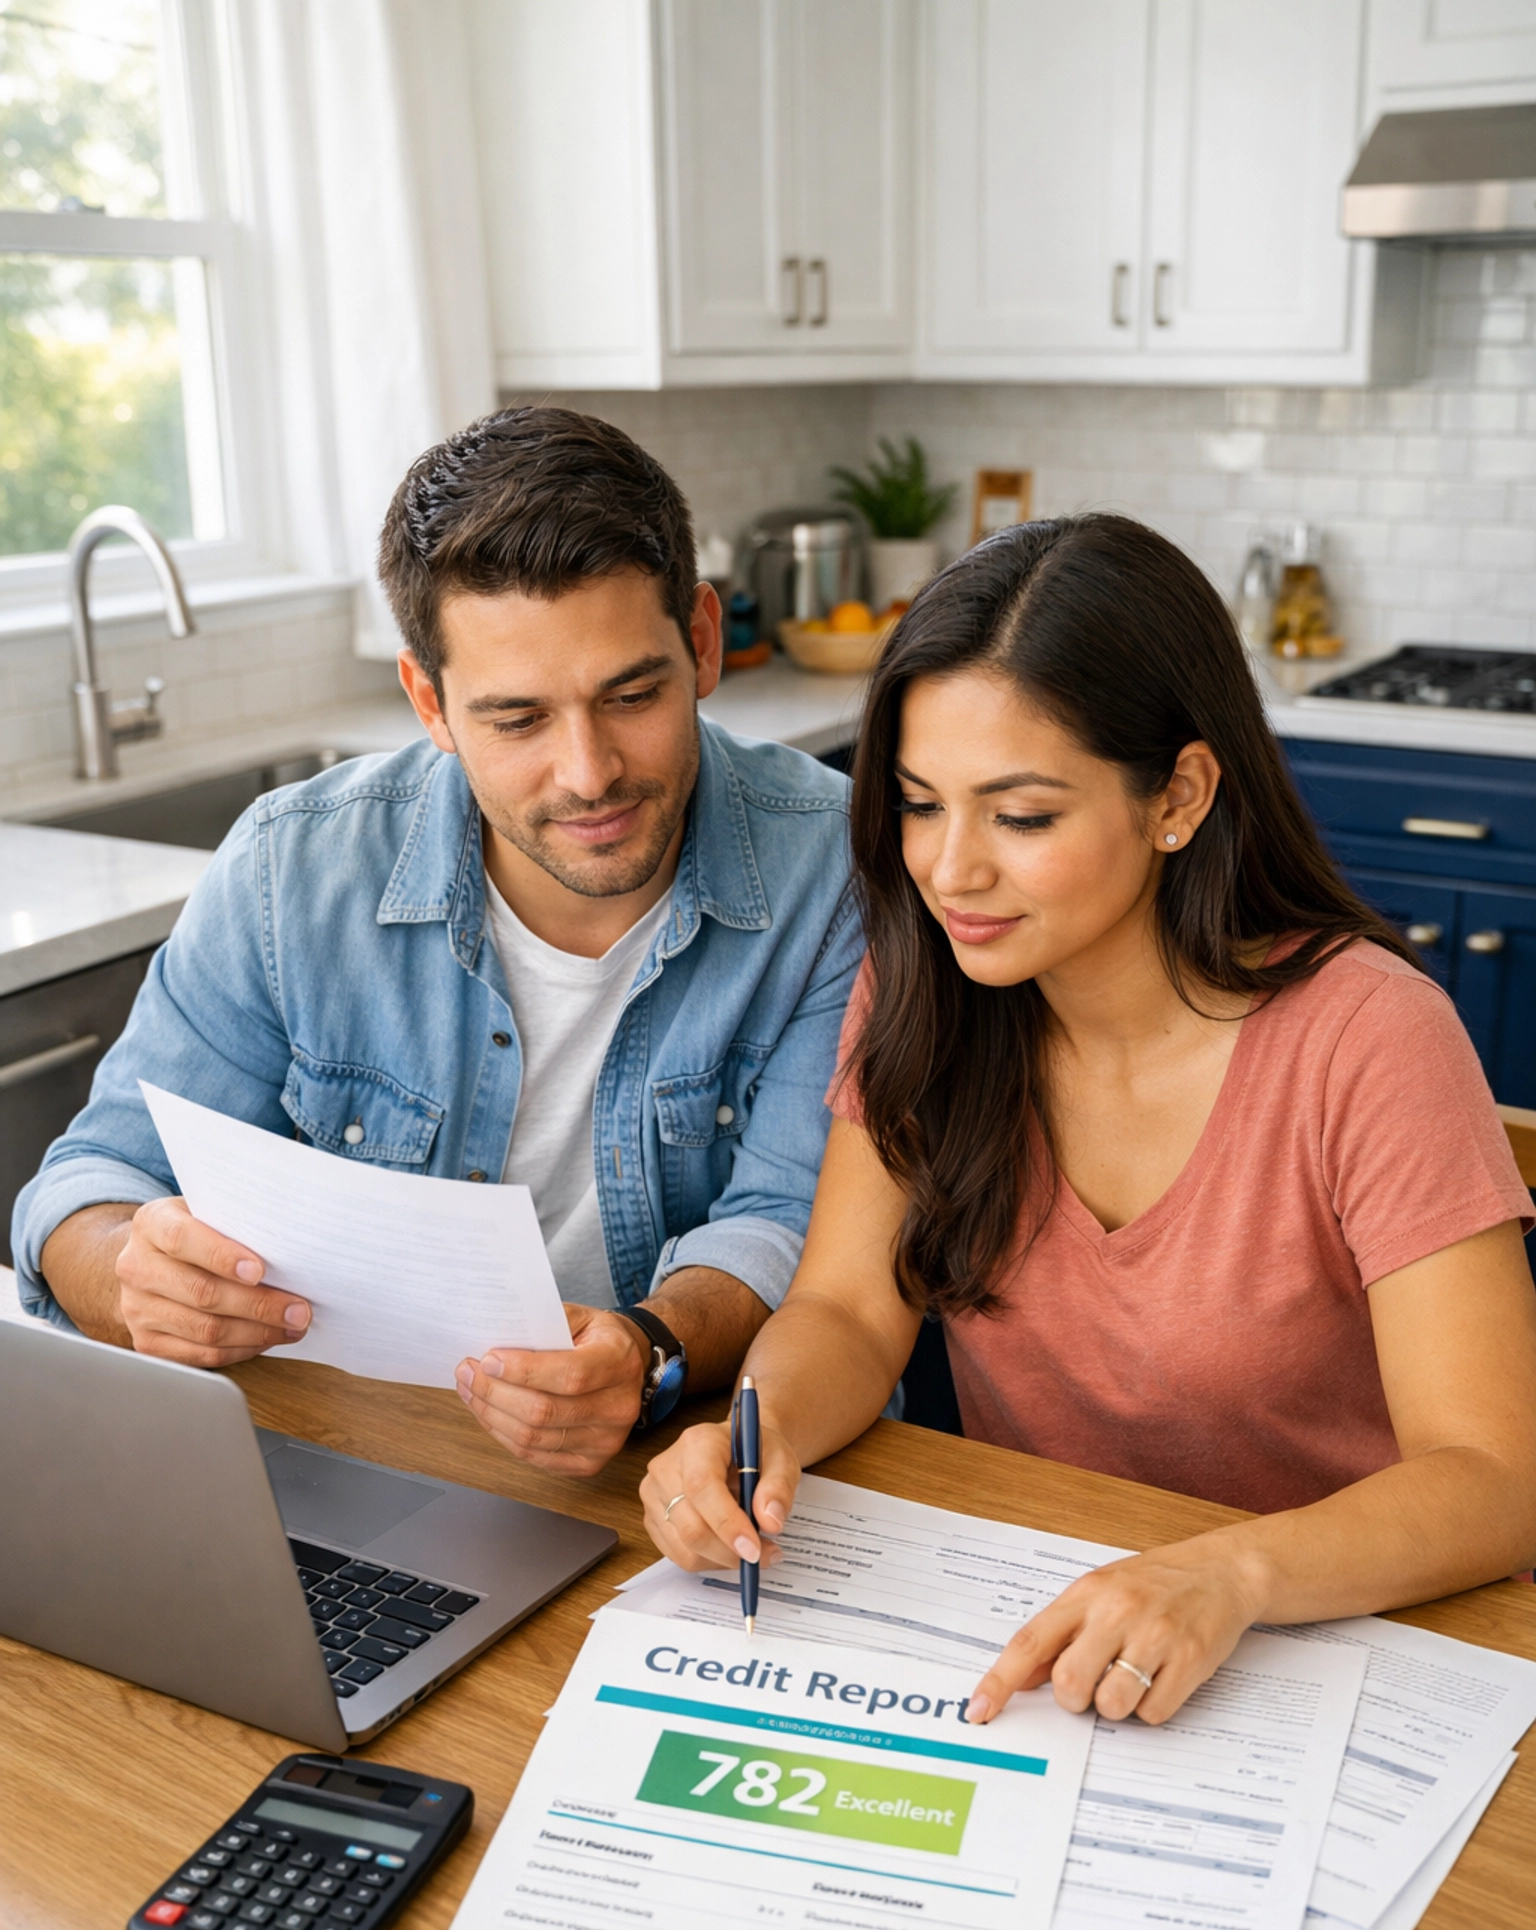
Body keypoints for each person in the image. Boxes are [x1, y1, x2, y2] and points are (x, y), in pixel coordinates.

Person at [640, 513, 1536, 1724]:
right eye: (918, 804)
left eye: (1021, 817)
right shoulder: (924, 994)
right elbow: (849, 1310)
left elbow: (1494, 1476)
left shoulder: (1371, 1038)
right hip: (1063, 1635)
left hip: (1359, 1640)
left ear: (1178, 796)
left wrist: (1231, 1571)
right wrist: (758, 1434)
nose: (951, 872)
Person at [13, 407, 862, 1476]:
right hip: (342, 1456)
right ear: (429, 702)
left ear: (701, 640)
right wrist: (130, 1273)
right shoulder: (291, 868)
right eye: (517, 721)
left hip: (660, 1471)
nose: (589, 771)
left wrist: (649, 1348)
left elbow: (793, 1221)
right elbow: (87, 1183)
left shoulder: (834, 868)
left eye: (633, 694)